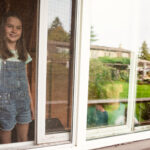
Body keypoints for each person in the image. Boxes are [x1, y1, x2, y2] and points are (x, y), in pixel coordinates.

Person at [0, 12, 34, 144]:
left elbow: (25, 80)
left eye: (18, 27)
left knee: (23, 140)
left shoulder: (23, 53)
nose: (14, 30)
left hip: (23, 101)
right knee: (5, 140)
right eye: (10, 26)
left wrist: (31, 103)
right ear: (3, 27)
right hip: (4, 102)